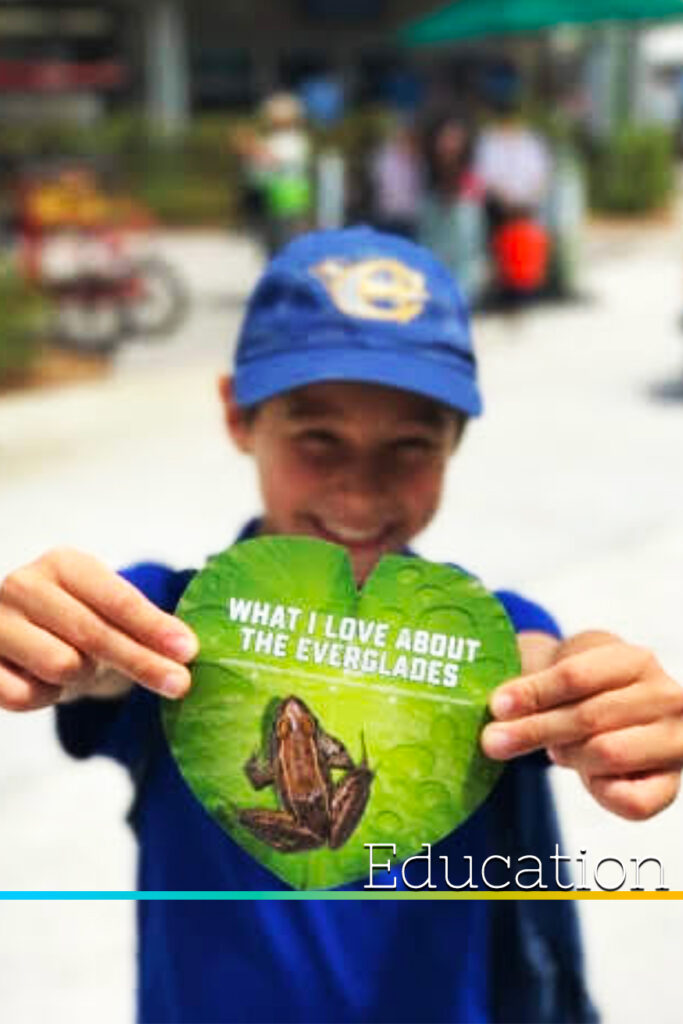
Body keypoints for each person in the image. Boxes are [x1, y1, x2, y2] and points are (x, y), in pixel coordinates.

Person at [1, 227, 683, 1023]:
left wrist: (597, 691)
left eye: (409, 444)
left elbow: (541, 667)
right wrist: (65, 635)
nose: (360, 490)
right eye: (318, 437)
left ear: (455, 443)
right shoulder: (175, 622)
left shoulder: (475, 644)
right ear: (237, 415)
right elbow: (116, 647)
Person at [418, 113, 488, 306]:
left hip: (463, 268)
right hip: (434, 265)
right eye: (445, 138)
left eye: (454, 138)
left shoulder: (472, 176)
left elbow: (472, 242)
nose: (449, 144)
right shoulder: (426, 172)